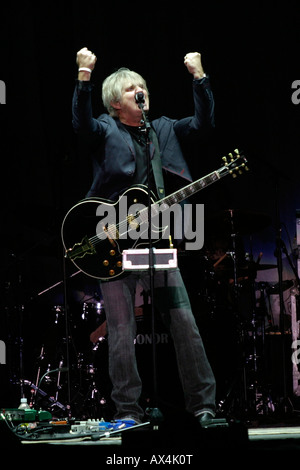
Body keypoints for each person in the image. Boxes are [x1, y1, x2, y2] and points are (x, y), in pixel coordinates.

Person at [72, 47, 216, 426]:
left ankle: (203, 406)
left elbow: (202, 125)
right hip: (113, 240)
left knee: (184, 321)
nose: (141, 91)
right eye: (132, 88)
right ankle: (128, 412)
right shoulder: (105, 127)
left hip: (157, 239)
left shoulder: (162, 128)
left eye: (143, 87)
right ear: (116, 103)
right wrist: (84, 78)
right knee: (122, 329)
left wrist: (199, 78)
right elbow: (81, 125)